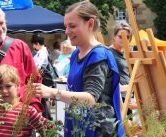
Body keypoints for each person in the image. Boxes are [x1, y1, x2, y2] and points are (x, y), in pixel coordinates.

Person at [33, 1, 125, 136]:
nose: (67, 31)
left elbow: (90, 98)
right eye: (66, 26)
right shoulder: (76, 53)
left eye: (72, 26)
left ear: (90, 24)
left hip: (97, 130)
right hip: (78, 125)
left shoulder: (98, 56)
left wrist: (53, 93)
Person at [0, 64, 50, 137]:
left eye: (8, 86)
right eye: (0, 87)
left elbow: (49, 129)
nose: (4, 91)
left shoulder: (27, 111)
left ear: (17, 86)